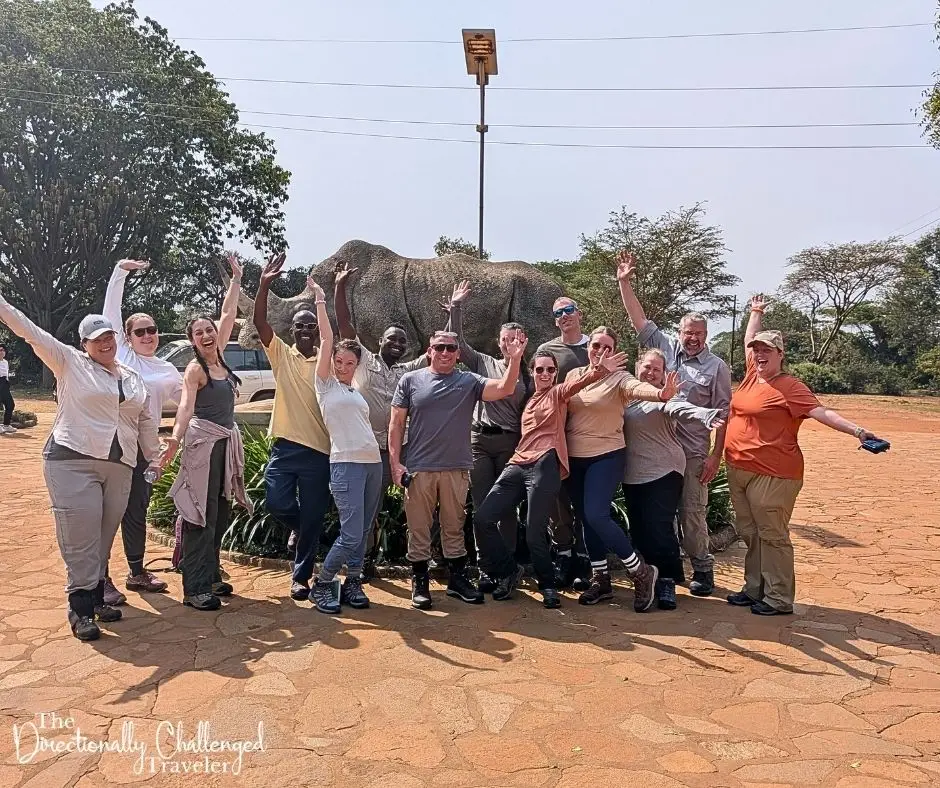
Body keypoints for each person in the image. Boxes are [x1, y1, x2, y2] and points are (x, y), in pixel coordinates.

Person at [0, 295, 160, 641]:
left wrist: (155, 457)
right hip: (73, 461)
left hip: (120, 465)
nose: (105, 343)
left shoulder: (131, 376)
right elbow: (28, 330)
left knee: (102, 538)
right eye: (96, 338)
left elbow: (145, 419)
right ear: (84, 343)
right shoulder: (68, 361)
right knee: (81, 536)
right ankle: (80, 608)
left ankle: (97, 594)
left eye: (109, 337)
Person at [724, 295, 883, 616]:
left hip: (774, 474)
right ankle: (754, 589)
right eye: (756, 351)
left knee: (772, 535)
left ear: (780, 354)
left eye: (766, 350)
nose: (758, 355)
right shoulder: (753, 375)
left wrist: (857, 431)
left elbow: (821, 412)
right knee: (750, 533)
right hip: (738, 467)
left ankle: (778, 598)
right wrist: (756, 312)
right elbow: (747, 340)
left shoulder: (791, 386)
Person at [473, 347, 628, 608]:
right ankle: (509, 571)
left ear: (556, 374)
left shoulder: (558, 393)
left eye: (550, 370)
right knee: (483, 518)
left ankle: (547, 585)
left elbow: (578, 383)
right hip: (518, 462)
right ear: (532, 372)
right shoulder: (530, 400)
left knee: (535, 531)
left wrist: (599, 370)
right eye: (540, 369)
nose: (545, 373)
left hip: (545, 463)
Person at [618, 250, 732, 597]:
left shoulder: (716, 367)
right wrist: (625, 282)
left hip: (693, 452)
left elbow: (724, 412)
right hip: (654, 452)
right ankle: (665, 575)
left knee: (692, 515)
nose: (692, 337)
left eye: (699, 332)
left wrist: (716, 456)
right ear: (679, 332)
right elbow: (639, 320)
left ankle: (702, 568)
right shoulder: (664, 348)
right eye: (687, 331)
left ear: (706, 334)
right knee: (659, 519)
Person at [389, 329, 526, 610]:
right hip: (419, 468)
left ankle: (457, 580)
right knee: (419, 527)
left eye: (451, 348)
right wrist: (395, 463)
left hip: (456, 468)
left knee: (453, 526)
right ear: (429, 350)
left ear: (458, 354)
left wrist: (515, 360)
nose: (445, 353)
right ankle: (420, 581)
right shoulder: (410, 380)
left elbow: (505, 389)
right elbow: (396, 424)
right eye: (439, 347)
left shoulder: (468, 381)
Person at [565, 326, 680, 611]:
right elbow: (563, 396)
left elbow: (638, 388)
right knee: (585, 519)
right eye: (595, 346)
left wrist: (662, 393)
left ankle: (640, 571)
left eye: (606, 347)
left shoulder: (620, 378)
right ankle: (601, 579)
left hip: (606, 456)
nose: (599, 352)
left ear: (613, 351)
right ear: (587, 348)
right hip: (574, 458)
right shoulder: (574, 375)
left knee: (596, 514)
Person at [162, 255, 252, 611]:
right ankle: (195, 588)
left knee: (219, 510)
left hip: (224, 443)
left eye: (209, 329)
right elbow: (185, 406)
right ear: (192, 341)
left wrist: (236, 279)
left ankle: (211, 574)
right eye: (198, 332)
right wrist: (174, 438)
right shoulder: (196, 370)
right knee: (199, 513)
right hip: (202, 445)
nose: (206, 334)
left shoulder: (221, 359)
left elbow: (228, 314)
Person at [334, 261, 428, 576]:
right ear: (380, 342)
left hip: (399, 452)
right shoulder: (363, 362)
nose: (397, 344)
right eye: (392, 340)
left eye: (402, 342)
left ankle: (426, 561)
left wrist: (453, 310)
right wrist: (340, 286)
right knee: (368, 511)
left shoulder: (407, 370)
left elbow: (438, 350)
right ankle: (363, 561)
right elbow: (345, 325)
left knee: (421, 503)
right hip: (368, 451)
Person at [100, 259, 183, 602]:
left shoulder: (167, 368)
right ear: (127, 338)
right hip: (112, 447)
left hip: (145, 454)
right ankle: (99, 577)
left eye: (152, 331)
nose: (148, 336)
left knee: (137, 509)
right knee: (104, 512)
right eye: (140, 332)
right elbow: (110, 312)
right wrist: (120, 271)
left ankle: (136, 572)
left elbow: (188, 402)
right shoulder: (122, 358)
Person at [253, 253, 332, 601]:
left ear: (317, 330)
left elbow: (338, 333)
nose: (304, 330)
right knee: (278, 504)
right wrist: (265, 284)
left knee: (315, 512)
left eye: (310, 325)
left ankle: (300, 577)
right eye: (299, 325)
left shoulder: (326, 360)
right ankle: (302, 530)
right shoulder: (282, 356)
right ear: (292, 330)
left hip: (319, 452)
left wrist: (323, 300)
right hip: (285, 449)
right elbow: (259, 322)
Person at [445, 280, 532, 589]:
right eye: (504, 339)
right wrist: (456, 307)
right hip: (480, 441)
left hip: (510, 442)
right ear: (498, 343)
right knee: (482, 506)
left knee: (505, 506)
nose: (508, 343)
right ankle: (486, 567)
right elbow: (458, 343)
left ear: (522, 340)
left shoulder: (529, 374)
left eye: (514, 338)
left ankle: (507, 566)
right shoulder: (485, 363)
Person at [623, 349, 725, 610]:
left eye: (657, 369)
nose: (651, 372)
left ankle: (667, 579)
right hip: (633, 472)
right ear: (637, 367)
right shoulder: (625, 396)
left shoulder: (666, 397)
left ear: (664, 375)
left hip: (664, 470)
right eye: (647, 367)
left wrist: (706, 415)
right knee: (640, 528)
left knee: (660, 527)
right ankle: (647, 577)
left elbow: (682, 408)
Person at [307, 280, 384, 613]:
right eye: (338, 362)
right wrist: (321, 301)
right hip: (346, 464)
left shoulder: (355, 392)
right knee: (351, 533)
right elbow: (326, 339)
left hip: (372, 464)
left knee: (363, 530)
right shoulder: (325, 387)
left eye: (348, 363)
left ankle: (353, 581)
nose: (342, 367)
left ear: (356, 365)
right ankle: (322, 583)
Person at [535, 296, 593, 589]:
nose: (564, 316)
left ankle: (585, 558)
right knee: (557, 500)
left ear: (579, 313)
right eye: (558, 313)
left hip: (589, 437)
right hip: (557, 437)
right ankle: (565, 554)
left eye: (569, 310)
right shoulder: (548, 351)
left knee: (585, 501)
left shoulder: (595, 346)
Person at [0, 343, 15, 435]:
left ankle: (6, 425)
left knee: (10, 405)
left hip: (5, 384)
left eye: (3, 350)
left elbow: (6, 374)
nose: (2, 352)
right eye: (0, 350)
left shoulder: (6, 362)